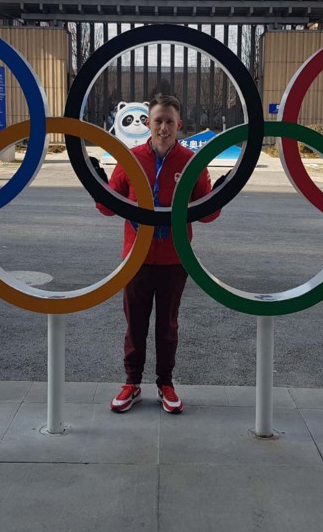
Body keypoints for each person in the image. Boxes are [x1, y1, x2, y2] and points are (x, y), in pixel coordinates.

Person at [91, 94, 227, 415]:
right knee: (135, 325)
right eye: (158, 120)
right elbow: (107, 208)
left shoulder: (191, 164)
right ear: (147, 123)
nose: (163, 127)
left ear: (179, 125)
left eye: (169, 121)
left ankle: (166, 384)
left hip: (174, 259)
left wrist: (221, 192)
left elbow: (206, 214)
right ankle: (132, 383)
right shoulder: (132, 158)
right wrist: (97, 183)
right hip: (135, 258)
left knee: (167, 326)